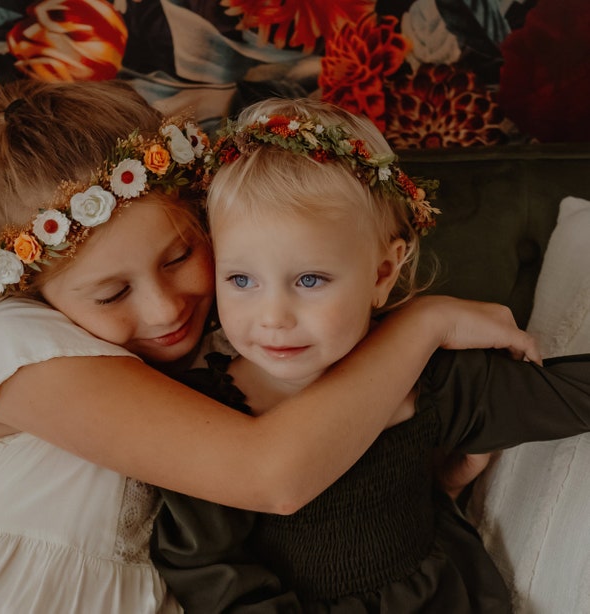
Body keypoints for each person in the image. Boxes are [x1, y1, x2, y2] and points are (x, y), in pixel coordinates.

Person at [0, 80, 540, 614]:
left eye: (181, 255)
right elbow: (272, 476)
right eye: (111, 294)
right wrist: (426, 324)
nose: (163, 307)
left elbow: (326, 469)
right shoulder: (22, 347)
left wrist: (430, 482)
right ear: (31, 290)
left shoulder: (229, 347)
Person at [150, 98, 590, 613]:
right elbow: (212, 578)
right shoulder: (207, 414)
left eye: (309, 279)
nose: (272, 317)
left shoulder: (436, 378)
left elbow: (570, 395)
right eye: (241, 279)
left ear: (383, 273)